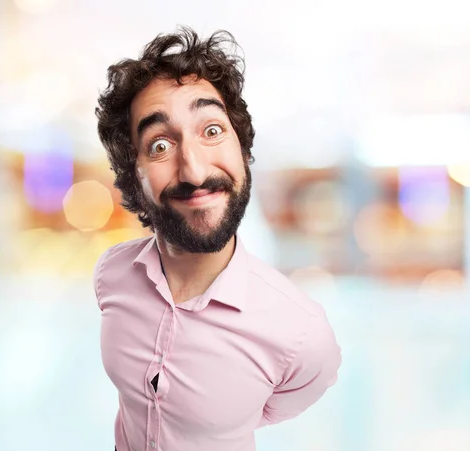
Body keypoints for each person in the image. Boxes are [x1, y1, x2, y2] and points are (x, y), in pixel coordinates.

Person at [93, 26, 342, 451]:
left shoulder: (301, 332)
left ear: (242, 151)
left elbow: (278, 405)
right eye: (158, 146)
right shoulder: (112, 275)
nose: (193, 170)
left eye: (211, 131)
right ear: (132, 178)